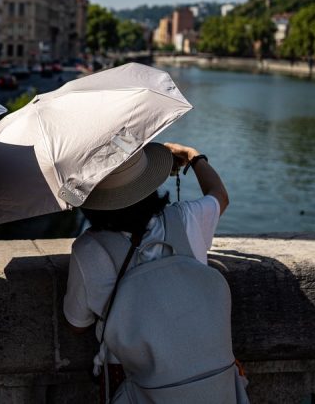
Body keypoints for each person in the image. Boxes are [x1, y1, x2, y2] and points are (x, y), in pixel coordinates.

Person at [63, 142, 240, 403]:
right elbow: (219, 195)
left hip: (130, 375)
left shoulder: (88, 250)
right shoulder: (187, 218)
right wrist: (193, 157)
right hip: (206, 378)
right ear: (148, 185)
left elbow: (76, 324)